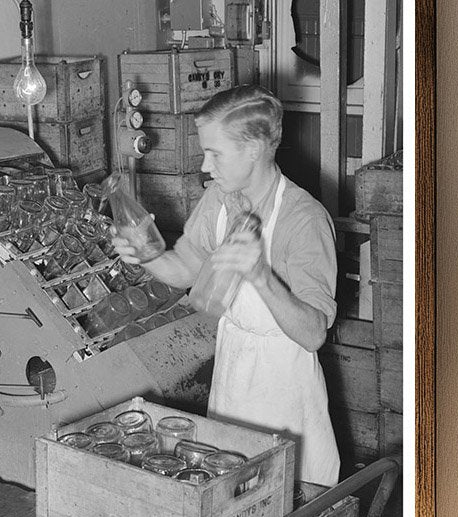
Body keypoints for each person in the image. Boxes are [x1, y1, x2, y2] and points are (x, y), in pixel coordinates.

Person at [112, 84, 340, 486]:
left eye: (214, 153)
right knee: (230, 490)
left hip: (283, 387)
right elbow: (186, 269)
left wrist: (260, 274)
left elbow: (313, 334)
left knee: (283, 500)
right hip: (233, 372)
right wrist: (147, 256)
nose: (204, 165)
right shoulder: (220, 198)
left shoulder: (304, 219)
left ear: (253, 149)